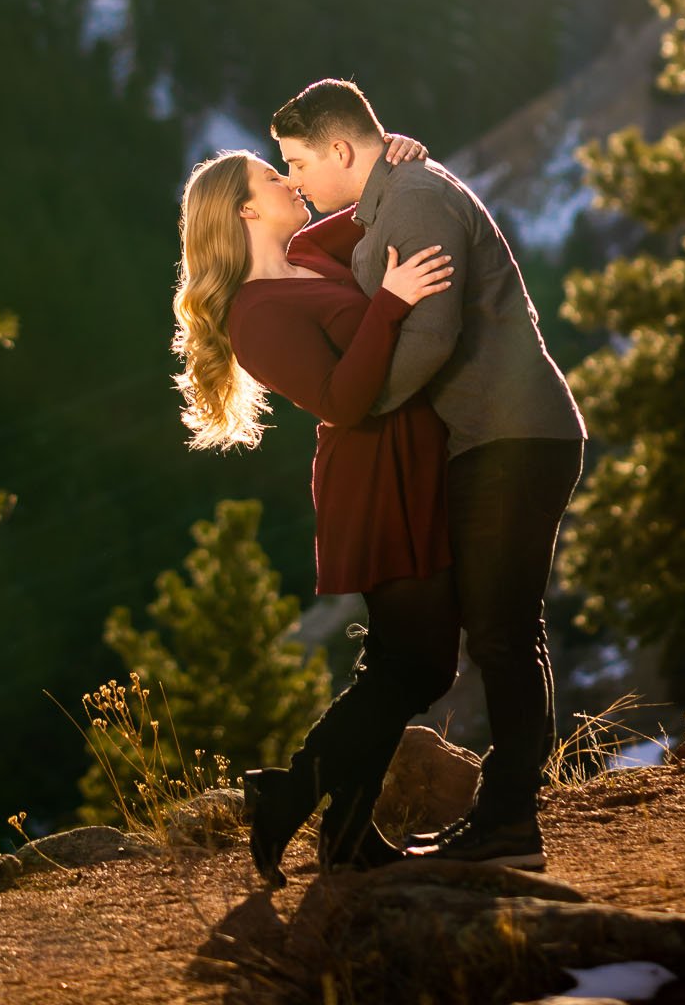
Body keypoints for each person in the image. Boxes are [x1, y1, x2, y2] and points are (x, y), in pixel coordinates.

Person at [272, 77, 586, 872]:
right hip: (493, 440)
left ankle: (510, 825)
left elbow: (434, 331)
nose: (297, 180)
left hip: (512, 438)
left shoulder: (410, 199)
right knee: (503, 637)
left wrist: (362, 406)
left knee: (506, 639)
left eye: (299, 162)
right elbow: (311, 250)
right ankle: (505, 822)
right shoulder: (393, 196)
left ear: (340, 148)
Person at [172, 139, 461, 883]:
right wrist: (392, 303)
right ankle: (295, 796)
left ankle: (340, 830)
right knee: (417, 662)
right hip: (372, 475)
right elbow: (341, 400)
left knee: (407, 661)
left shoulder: (306, 250)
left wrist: (394, 151)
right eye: (275, 177)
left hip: (409, 459)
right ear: (243, 209)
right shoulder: (254, 315)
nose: (290, 180)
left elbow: (367, 198)